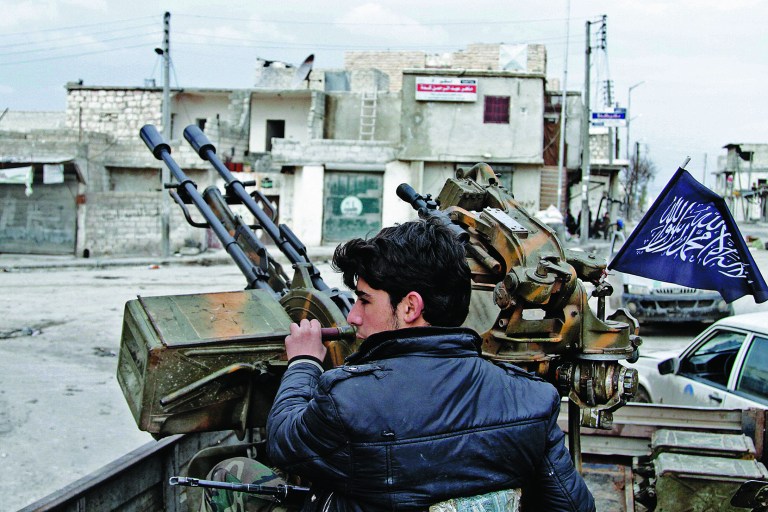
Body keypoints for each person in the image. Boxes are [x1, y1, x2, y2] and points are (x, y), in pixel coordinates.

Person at [266, 217, 595, 511]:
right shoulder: (533, 399)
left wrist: (304, 363)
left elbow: (283, 441)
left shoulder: (348, 401)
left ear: (410, 307)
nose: (353, 316)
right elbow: (572, 504)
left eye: (364, 300)